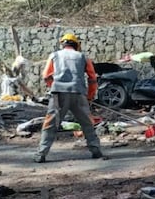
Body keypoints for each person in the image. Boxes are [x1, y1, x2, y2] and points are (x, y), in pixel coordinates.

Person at [34, 33, 104, 163]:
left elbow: (46, 76)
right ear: (76, 45)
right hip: (79, 93)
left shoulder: (54, 55)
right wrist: (89, 96)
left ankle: (41, 154)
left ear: (63, 44)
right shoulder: (82, 57)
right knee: (88, 123)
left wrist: (53, 87)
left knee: (50, 124)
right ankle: (96, 150)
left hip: (58, 94)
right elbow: (92, 78)